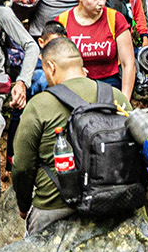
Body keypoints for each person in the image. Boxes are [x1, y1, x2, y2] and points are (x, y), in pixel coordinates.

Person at [12, 37, 121, 233]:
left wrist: (23, 205)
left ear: (51, 67)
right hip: (114, 201)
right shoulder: (114, 95)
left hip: (54, 206)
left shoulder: (38, 105)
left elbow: (22, 166)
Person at [58, 0, 137, 96]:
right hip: (76, 87)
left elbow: (128, 64)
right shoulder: (63, 21)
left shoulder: (115, 18)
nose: (101, 3)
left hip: (109, 86)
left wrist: (125, 99)